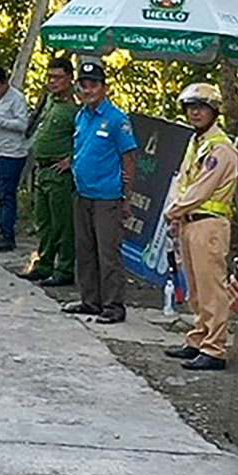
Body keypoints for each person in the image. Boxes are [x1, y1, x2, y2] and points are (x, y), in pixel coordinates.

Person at [162, 83, 238, 372]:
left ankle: (215, 349)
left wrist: (173, 211)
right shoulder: (198, 142)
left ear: (214, 111)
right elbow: (183, 180)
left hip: (209, 225)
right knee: (196, 288)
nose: (194, 112)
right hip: (191, 222)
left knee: (212, 289)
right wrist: (178, 215)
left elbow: (201, 189)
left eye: (201, 107)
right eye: (190, 107)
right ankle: (198, 339)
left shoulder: (220, 148)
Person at [63, 59, 138, 325]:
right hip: (83, 193)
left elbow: (129, 158)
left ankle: (113, 306)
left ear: (103, 87)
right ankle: (90, 300)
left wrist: (126, 197)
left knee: (108, 253)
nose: (88, 90)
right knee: (85, 249)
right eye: (84, 85)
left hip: (107, 197)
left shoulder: (117, 120)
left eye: (93, 85)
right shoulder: (81, 116)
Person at [17, 56, 78, 285]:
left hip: (58, 172)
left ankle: (64, 269)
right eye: (49, 77)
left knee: (62, 222)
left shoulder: (75, 107)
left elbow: (85, 138)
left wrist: (71, 160)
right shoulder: (51, 101)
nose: (52, 82)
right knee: (43, 222)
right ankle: (44, 263)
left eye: (57, 78)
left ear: (69, 79)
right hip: (42, 169)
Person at [0, 63, 29, 253]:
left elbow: (22, 124)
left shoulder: (17, 98)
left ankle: (7, 235)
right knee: (1, 194)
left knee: (8, 194)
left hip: (13, 153)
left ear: (5, 82)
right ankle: (2, 230)